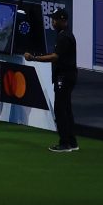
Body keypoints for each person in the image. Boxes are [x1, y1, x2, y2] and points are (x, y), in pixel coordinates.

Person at [25, 8, 79, 152]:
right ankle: (72, 142)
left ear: (63, 20)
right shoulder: (64, 35)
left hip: (64, 76)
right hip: (67, 75)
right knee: (66, 108)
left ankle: (64, 143)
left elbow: (55, 57)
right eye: (53, 19)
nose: (53, 22)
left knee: (60, 109)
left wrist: (34, 58)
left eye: (55, 20)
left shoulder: (64, 37)